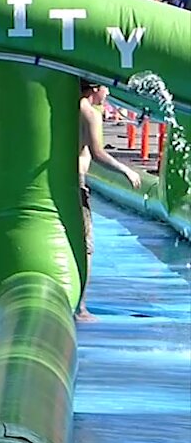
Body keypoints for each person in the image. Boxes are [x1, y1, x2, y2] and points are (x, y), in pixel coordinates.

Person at [79, 81, 144, 322]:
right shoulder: (89, 112)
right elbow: (98, 153)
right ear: (95, 88)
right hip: (77, 183)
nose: (108, 93)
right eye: (106, 88)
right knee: (86, 246)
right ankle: (81, 306)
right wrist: (125, 170)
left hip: (57, 180)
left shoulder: (65, 105)